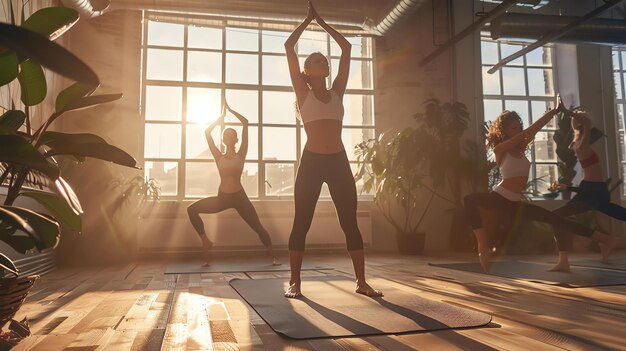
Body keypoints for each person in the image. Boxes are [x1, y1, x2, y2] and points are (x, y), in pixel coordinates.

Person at [283, 0, 382, 298]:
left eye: (324, 61)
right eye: (317, 61)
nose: (323, 63)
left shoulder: (337, 91)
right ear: (307, 71)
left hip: (338, 161)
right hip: (312, 162)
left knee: (349, 220)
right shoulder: (303, 93)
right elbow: (289, 46)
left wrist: (323, 23)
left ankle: (361, 282)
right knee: (302, 220)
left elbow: (348, 49)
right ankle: (295, 283)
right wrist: (307, 21)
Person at [464, 95, 618, 272]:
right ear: (504, 131)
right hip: (499, 197)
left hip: (514, 203)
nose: (519, 130)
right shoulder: (500, 150)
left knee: (557, 220)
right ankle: (482, 246)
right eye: (514, 127)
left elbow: (534, 129)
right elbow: (527, 133)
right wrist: (545, 118)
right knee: (469, 200)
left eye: (519, 126)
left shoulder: (520, 149)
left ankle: (604, 239)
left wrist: (553, 111)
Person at [187, 100, 280, 267]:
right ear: (223, 139)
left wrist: (231, 110)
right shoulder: (218, 156)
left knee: (257, 226)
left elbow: (245, 123)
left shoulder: (241, 154)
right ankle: (206, 243)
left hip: (239, 197)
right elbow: (207, 132)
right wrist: (220, 117)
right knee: (191, 209)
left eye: (231, 134)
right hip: (222, 197)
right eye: (226, 134)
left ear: (236, 139)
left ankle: (273, 256)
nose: (228, 136)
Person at [549, 109, 621, 272]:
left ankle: (606, 240)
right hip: (589, 190)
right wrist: (570, 187)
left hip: (594, 192)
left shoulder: (584, 142)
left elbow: (587, 122)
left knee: (557, 216)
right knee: (557, 217)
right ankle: (604, 241)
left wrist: (566, 111)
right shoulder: (578, 143)